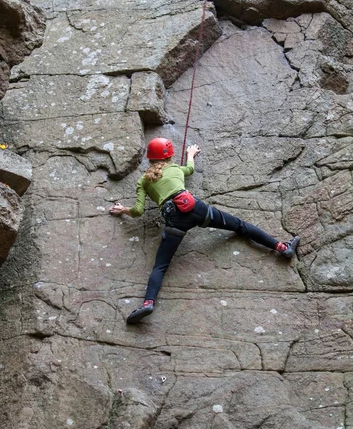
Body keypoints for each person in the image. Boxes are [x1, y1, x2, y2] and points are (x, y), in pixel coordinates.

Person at [109, 137, 300, 324]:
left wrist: (122, 209)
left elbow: (139, 210)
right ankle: (282, 248)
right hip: (195, 209)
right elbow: (190, 169)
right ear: (169, 156)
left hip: (175, 221)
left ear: (150, 158)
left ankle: (148, 303)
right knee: (239, 225)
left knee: (160, 265)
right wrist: (190, 154)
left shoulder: (143, 181)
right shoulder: (175, 168)